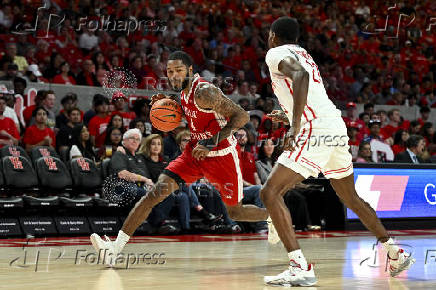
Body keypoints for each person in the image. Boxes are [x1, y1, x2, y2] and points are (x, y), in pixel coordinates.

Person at [261, 17, 414, 287]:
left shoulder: (275, 53)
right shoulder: (303, 53)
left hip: (315, 129)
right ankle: (394, 251)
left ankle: (299, 267)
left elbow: (300, 77)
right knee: (350, 197)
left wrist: (295, 126)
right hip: (334, 125)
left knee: (269, 192)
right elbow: (309, 90)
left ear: (273, 36)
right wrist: (289, 115)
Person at [90, 51, 268, 265]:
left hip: (221, 156)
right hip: (194, 153)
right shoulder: (183, 93)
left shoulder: (205, 91)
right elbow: (196, 114)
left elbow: (242, 116)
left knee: (236, 211)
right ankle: (114, 249)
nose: (173, 75)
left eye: (178, 71)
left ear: (190, 70)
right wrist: (169, 107)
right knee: (153, 195)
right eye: (170, 71)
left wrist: (210, 141)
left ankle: (272, 217)